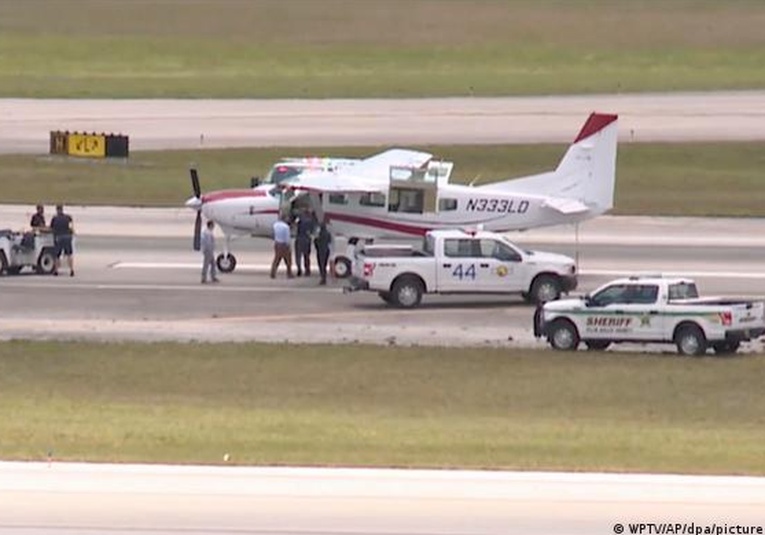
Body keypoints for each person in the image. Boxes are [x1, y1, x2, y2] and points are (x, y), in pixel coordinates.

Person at [50, 204, 74, 277]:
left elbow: (51, 228)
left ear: (57, 210)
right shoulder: (68, 217)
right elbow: (71, 226)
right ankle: (71, 270)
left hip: (59, 237)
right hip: (67, 237)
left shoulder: (55, 218)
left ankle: (56, 270)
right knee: (69, 254)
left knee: (57, 255)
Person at [294, 207, 315, 277]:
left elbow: (295, 225)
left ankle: (299, 269)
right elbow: (312, 231)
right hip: (307, 239)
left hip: (299, 238)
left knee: (298, 256)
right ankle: (307, 270)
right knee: (306, 256)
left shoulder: (299, 219)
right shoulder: (311, 221)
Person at [313, 215, 333, 285]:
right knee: (324, 264)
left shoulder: (319, 235)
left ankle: (323, 278)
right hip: (326, 249)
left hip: (321, 250)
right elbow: (330, 241)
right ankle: (324, 277)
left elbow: (315, 241)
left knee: (321, 264)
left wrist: (317, 247)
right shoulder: (328, 234)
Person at [200, 220, 219, 284]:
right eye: (213, 225)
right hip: (208, 251)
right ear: (210, 225)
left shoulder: (208, 232)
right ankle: (203, 278)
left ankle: (213, 277)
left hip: (209, 251)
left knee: (213, 264)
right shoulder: (207, 233)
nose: (214, 226)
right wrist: (209, 250)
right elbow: (207, 243)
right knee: (206, 265)